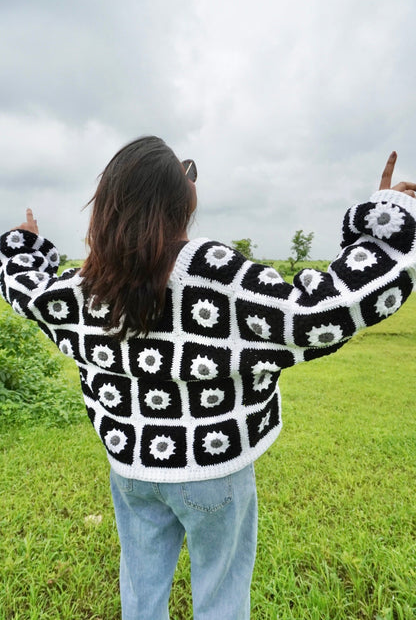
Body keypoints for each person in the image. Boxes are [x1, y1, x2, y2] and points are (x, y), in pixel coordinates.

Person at [1, 137, 416, 620]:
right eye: (186, 173)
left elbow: (27, 290)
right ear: (181, 200)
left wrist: (24, 243)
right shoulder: (209, 271)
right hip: (213, 469)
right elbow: (316, 313)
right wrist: (386, 221)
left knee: (140, 586)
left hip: (130, 470)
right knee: (221, 593)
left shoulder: (84, 284)